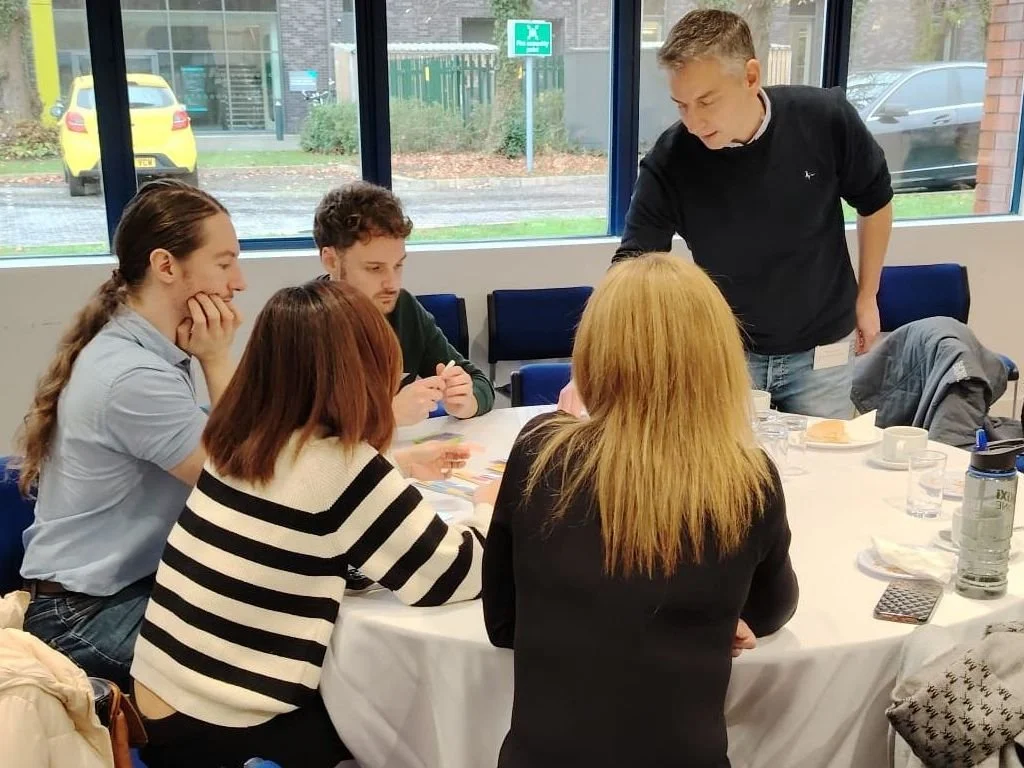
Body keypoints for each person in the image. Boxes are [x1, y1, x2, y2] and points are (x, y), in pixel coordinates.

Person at [130, 280, 494, 768]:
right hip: (227, 730)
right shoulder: (340, 468)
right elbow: (455, 575)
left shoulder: (243, 440)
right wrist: (492, 507)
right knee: (406, 724)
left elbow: (304, 499)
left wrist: (398, 462)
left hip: (159, 702)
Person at [482, 254, 799, 768]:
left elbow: (502, 622)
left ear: (594, 353)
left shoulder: (541, 451)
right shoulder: (748, 478)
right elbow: (773, 606)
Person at [559, 9, 893, 420]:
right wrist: (587, 369)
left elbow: (875, 201)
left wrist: (868, 295)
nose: (694, 121)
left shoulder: (824, 118)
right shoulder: (671, 160)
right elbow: (630, 268)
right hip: (728, 354)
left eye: (706, 101)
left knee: (821, 469)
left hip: (823, 347)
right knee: (729, 475)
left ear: (751, 78)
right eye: (681, 106)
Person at [15, 180, 246, 690]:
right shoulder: (132, 375)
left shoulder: (150, 349)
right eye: (225, 263)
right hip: (83, 617)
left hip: (122, 592)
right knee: (274, 655)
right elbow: (237, 480)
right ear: (167, 266)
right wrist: (217, 357)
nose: (239, 282)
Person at [314, 181, 495, 426]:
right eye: (375, 268)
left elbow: (479, 381)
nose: (392, 284)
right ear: (331, 260)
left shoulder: (403, 308)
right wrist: (385, 415)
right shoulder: (301, 321)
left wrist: (465, 400)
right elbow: (291, 434)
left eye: (398, 265)